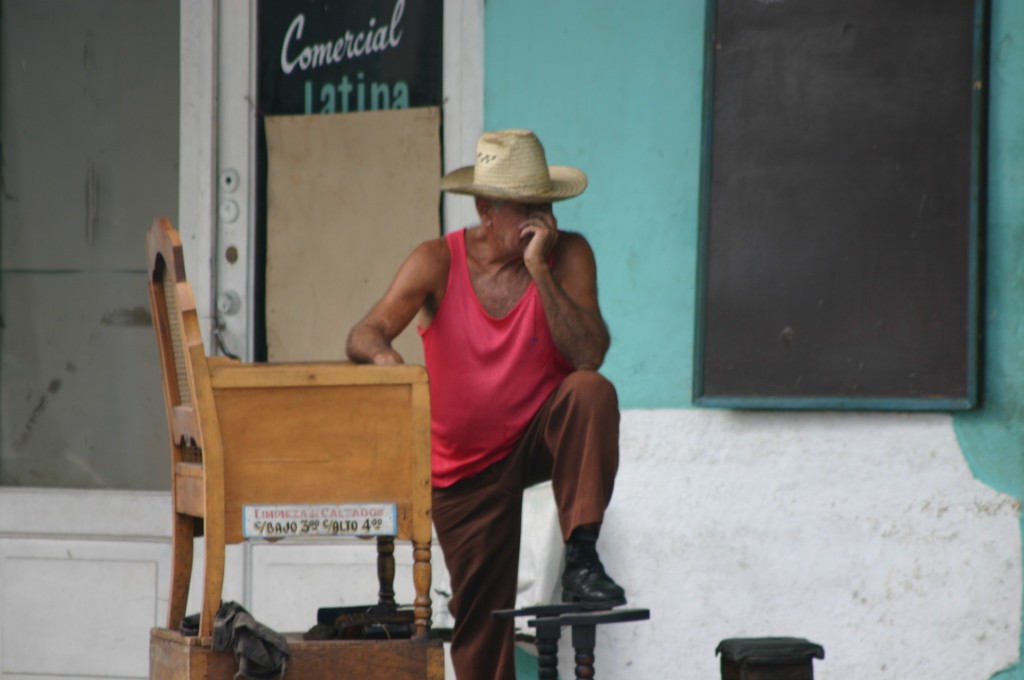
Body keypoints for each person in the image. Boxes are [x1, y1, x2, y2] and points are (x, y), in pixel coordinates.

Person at [346, 129, 625, 680]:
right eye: (525, 207)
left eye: (544, 204)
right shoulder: (437, 261)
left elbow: (589, 355)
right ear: (485, 209)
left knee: (591, 392)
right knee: (481, 640)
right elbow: (366, 330)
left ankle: (583, 557)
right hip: (464, 470)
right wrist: (384, 360)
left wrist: (540, 270)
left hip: (539, 439)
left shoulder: (566, 254)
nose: (539, 220)